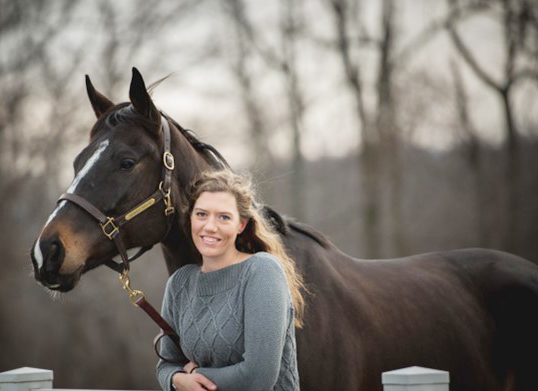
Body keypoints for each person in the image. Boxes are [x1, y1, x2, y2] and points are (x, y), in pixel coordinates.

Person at [156, 169, 305, 391]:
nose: (209, 226)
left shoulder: (262, 271)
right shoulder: (180, 284)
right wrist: (178, 380)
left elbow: (258, 377)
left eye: (224, 217)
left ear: (241, 225)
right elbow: (166, 365)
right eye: (201, 214)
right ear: (190, 219)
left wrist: (195, 375)